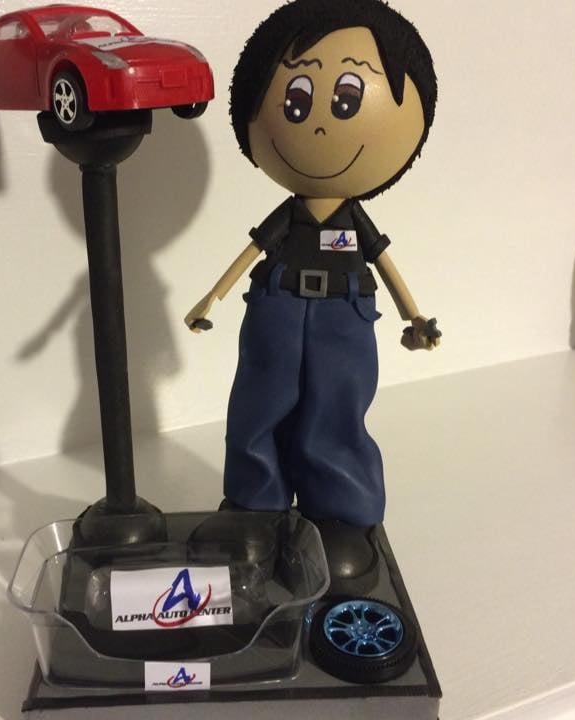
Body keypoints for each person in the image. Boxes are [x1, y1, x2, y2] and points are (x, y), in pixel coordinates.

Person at [185, 0, 440, 593]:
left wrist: (415, 316)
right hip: (276, 305)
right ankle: (255, 506)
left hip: (343, 314)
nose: (320, 124)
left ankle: (340, 515)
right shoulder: (287, 217)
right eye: (296, 103)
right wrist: (210, 300)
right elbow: (250, 252)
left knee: (337, 408)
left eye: (346, 101)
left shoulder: (356, 221)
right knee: (259, 402)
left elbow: (384, 261)